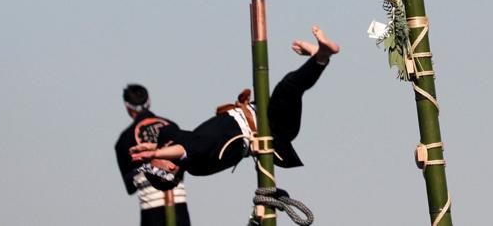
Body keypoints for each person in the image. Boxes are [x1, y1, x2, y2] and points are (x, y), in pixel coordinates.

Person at [130, 27, 339, 180]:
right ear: (169, 167)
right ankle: (321, 57)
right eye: (153, 163)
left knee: (289, 88)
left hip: (262, 112)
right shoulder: (195, 162)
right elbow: (184, 149)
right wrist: (155, 153)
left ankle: (319, 56)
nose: (150, 160)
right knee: (287, 88)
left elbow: (174, 138)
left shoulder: (178, 142)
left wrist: (151, 148)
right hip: (273, 129)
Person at [114, 84, 191, 225]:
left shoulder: (124, 140)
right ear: (149, 101)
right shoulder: (171, 126)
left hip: (151, 212)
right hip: (179, 207)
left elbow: (130, 187)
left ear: (127, 107)